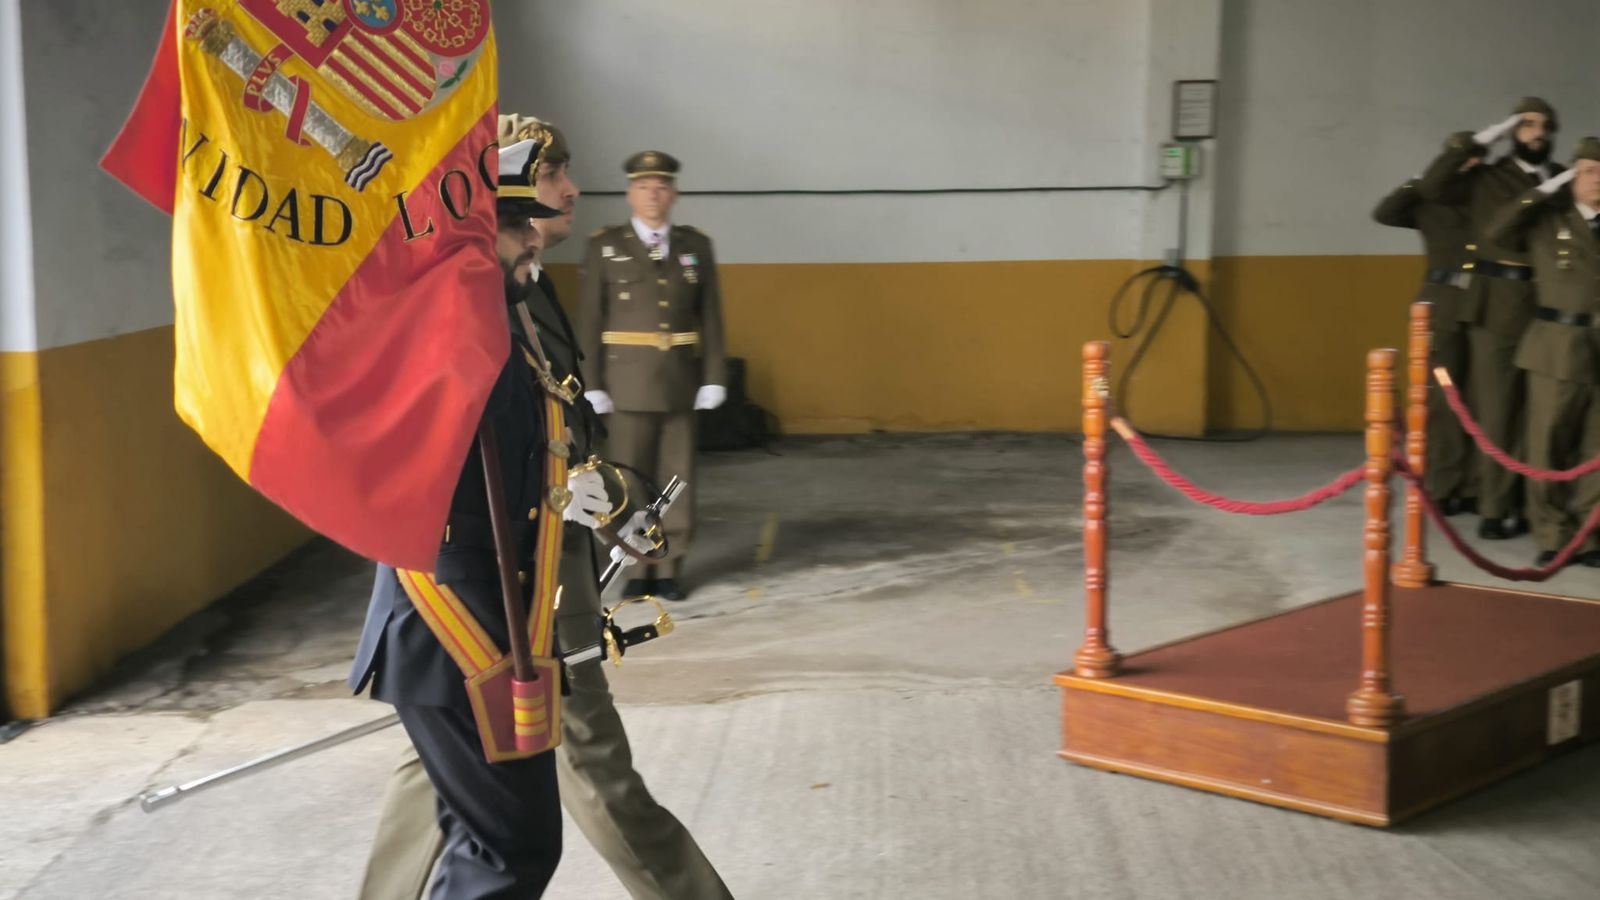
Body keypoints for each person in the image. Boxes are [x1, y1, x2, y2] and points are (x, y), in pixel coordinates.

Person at [357, 117, 735, 900]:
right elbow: (455, 468)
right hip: (504, 593)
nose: (570, 192)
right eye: (554, 176)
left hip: (525, 573)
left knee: (449, 775)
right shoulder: (463, 314)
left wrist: (608, 495)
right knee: (556, 795)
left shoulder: (518, 289)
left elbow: (545, 426)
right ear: (506, 195)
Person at [347, 129, 569, 899]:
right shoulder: (453, 339)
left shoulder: (498, 329)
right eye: (515, 225)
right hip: (453, 631)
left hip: (480, 626)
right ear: (478, 236)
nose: (530, 240)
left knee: (489, 840)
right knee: (514, 849)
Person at [579, 151, 728, 601]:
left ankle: (668, 565)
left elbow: (712, 317)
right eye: (644, 187)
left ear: (674, 194)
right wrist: (593, 384)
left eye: (661, 186)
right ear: (630, 193)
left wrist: (714, 376)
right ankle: (634, 568)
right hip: (625, 385)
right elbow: (588, 319)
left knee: (675, 477)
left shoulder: (694, 246)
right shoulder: (605, 246)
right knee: (628, 478)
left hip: (680, 381)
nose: (653, 195)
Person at [1417, 97, 1563, 540]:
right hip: (1495, 303)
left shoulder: (1560, 176)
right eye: (1527, 125)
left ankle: (1527, 503)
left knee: (1537, 415)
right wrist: (1478, 141)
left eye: (1544, 126)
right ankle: (1494, 507)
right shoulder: (1486, 176)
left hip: (1547, 304)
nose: (1536, 133)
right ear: (1513, 131)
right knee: (1496, 411)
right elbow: (1433, 187)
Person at [1485, 137, 1600, 568]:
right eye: (1588, 170)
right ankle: (1551, 533)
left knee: (1596, 448)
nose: (1597, 180)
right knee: (1547, 444)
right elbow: (1497, 232)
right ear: (1572, 178)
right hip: (1557, 347)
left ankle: (1589, 535)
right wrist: (1544, 190)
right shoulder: (1548, 221)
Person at [1372, 139, 1487, 514]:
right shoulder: (1427, 202)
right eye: (1459, 161)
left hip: (1484, 304)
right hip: (1440, 304)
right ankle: (1443, 481)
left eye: (1472, 161)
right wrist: (1422, 180)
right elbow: (1385, 212)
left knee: (1480, 398)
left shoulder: (1488, 200)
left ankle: (1473, 485)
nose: (1467, 167)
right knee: (1441, 401)